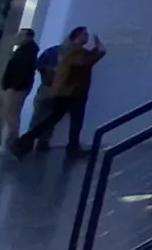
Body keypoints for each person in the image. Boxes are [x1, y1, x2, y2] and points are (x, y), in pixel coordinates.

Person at [17, 28, 103, 158]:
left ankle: (25, 142)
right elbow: (87, 61)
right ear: (77, 36)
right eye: (84, 35)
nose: (86, 37)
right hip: (71, 93)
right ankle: (25, 142)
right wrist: (99, 48)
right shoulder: (74, 51)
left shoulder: (70, 50)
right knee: (64, 120)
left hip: (68, 92)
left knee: (54, 120)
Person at [0, 31, 37, 152]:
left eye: (21, 36)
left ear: (28, 38)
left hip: (15, 88)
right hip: (10, 87)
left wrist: (13, 87)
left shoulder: (27, 53)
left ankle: (10, 144)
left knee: (10, 116)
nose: (17, 38)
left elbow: (21, 73)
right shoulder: (23, 52)